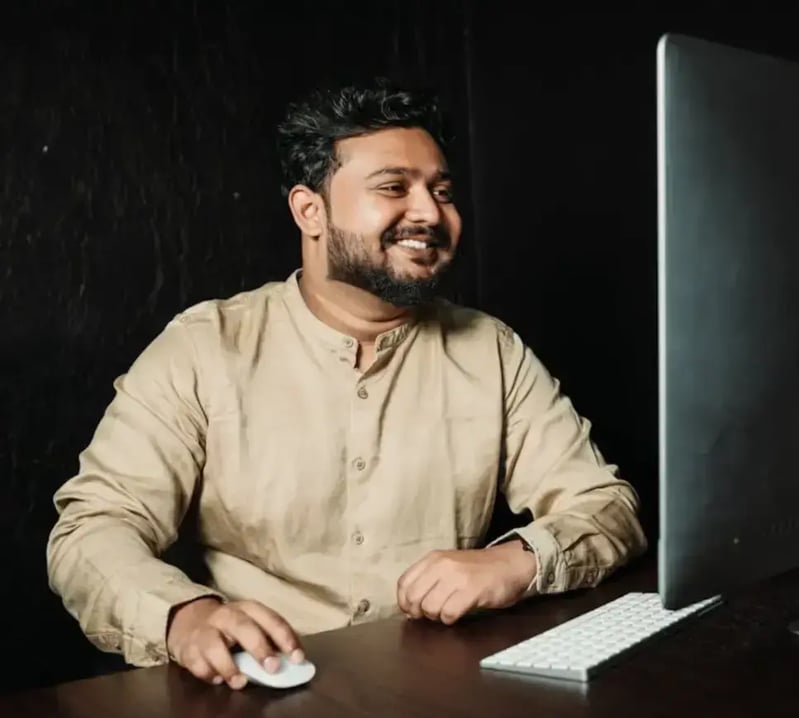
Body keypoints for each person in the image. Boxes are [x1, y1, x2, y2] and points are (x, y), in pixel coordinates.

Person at [45, 80, 648, 690]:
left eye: (442, 192)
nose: (430, 213)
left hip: (436, 692)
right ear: (310, 210)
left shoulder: (491, 350)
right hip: (253, 694)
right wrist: (181, 616)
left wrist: (516, 560)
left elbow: (607, 506)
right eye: (393, 188)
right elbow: (93, 528)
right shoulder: (204, 350)